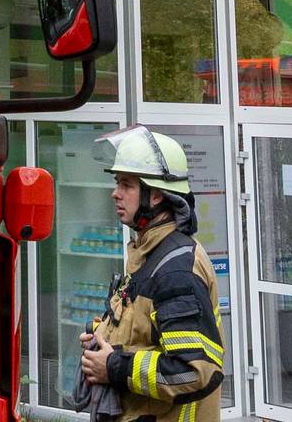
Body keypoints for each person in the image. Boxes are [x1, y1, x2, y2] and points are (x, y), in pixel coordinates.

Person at [75, 126, 224, 420]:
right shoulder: (148, 254)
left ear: (155, 195)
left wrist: (114, 366)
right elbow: (145, 332)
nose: (115, 194)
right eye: (118, 183)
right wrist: (102, 338)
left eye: (127, 185)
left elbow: (192, 371)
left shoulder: (176, 269)